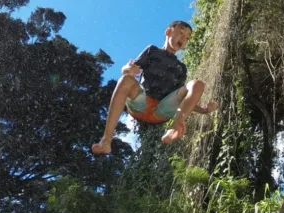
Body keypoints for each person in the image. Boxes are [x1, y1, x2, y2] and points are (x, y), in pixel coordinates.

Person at [91, 20, 218, 155]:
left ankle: (175, 128)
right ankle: (106, 140)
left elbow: (183, 100)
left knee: (197, 84)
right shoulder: (152, 50)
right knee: (125, 80)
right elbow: (129, 68)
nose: (183, 39)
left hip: (162, 110)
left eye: (187, 37)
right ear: (168, 32)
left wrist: (203, 110)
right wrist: (128, 69)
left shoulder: (181, 68)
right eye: (181, 33)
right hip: (141, 102)